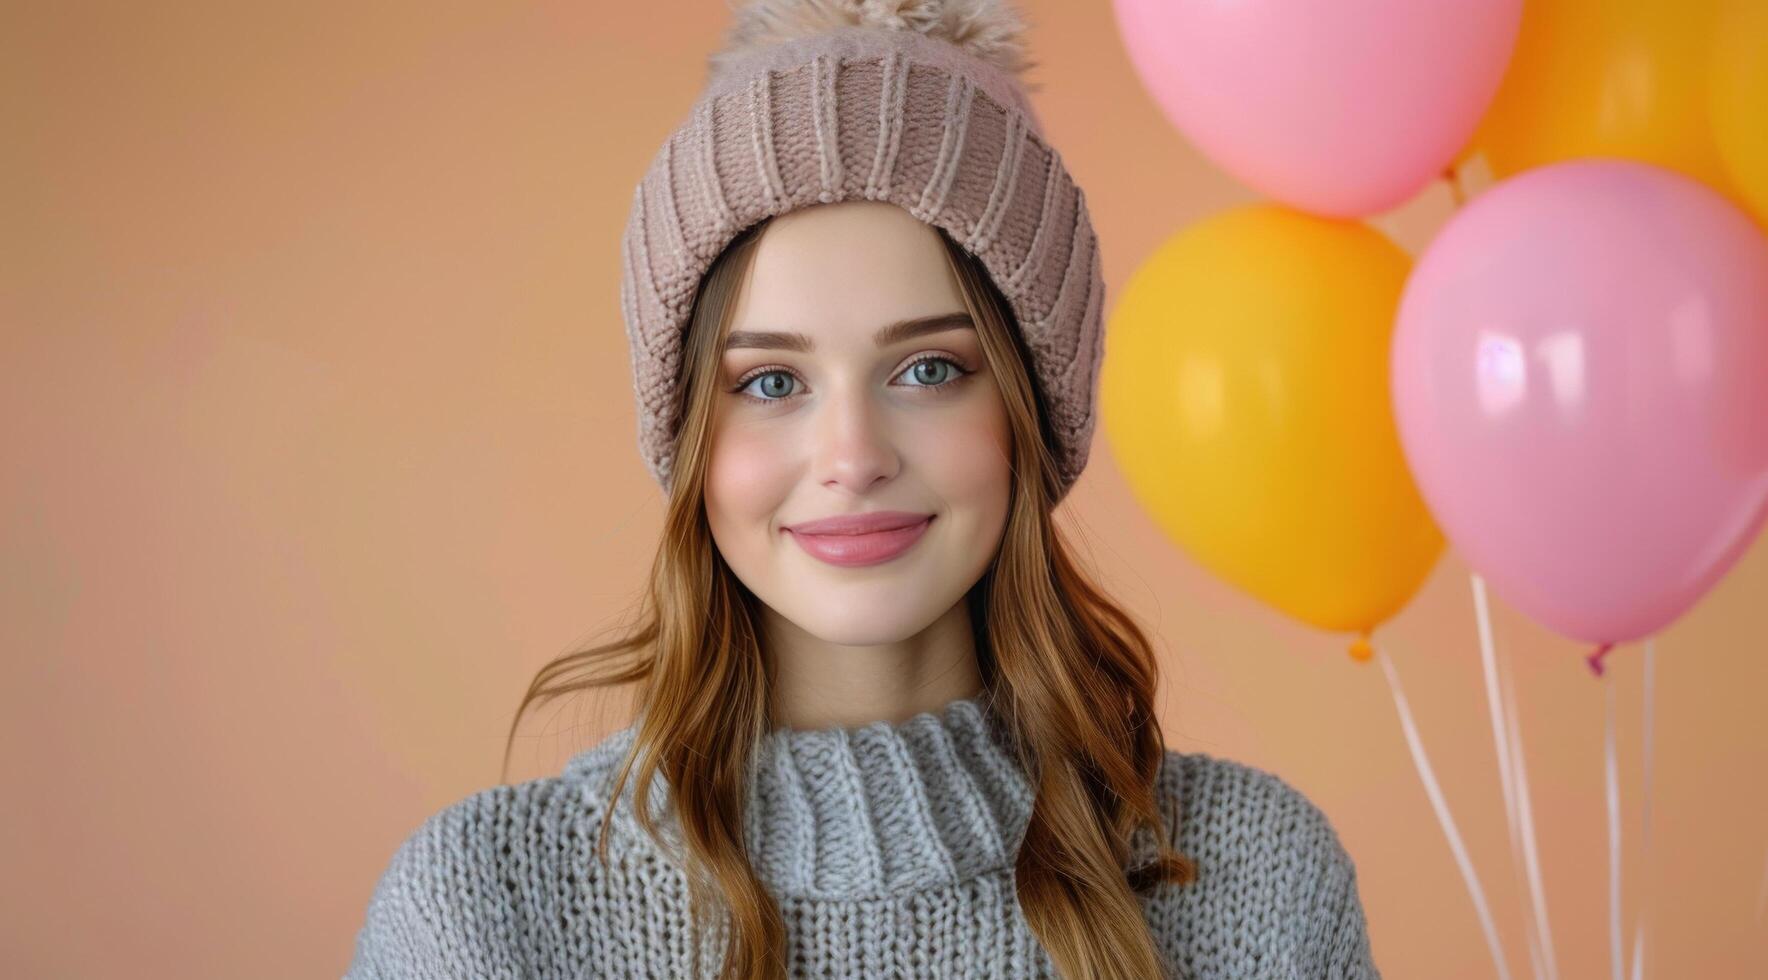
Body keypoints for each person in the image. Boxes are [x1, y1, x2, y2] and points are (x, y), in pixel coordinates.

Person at [345, 2, 1379, 977]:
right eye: (769, 382)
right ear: (691, 435)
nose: (852, 453)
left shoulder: (1255, 882)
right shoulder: (483, 908)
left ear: (1029, 408)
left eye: (927, 368)